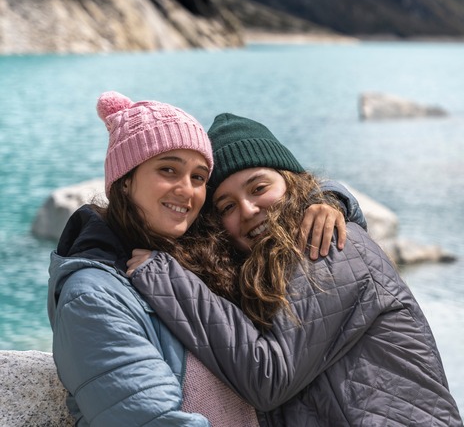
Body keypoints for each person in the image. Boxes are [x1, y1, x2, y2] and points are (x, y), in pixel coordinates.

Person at [128, 113, 464, 426]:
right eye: (227, 206)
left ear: (292, 183)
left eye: (259, 188)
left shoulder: (330, 247)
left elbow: (268, 378)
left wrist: (164, 276)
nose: (247, 210)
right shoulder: (261, 271)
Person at [47, 92, 354, 426]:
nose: (186, 189)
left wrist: (329, 200)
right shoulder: (93, 295)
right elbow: (154, 420)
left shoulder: (194, 258)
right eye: (168, 169)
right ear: (125, 180)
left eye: (198, 177)